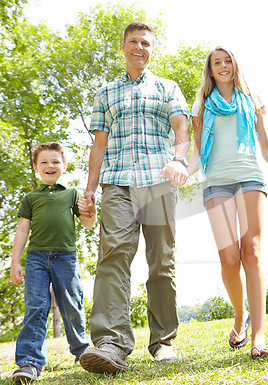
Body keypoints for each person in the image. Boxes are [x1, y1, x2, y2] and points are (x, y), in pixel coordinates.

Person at [78, 22, 190, 374]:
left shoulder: (167, 87)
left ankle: (163, 341)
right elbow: (98, 145)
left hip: (158, 181)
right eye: (133, 42)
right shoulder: (106, 93)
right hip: (116, 183)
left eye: (145, 43)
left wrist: (179, 159)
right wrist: (90, 189)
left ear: (151, 48)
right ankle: (111, 344)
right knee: (112, 257)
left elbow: (181, 128)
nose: (139, 47)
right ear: (123, 46)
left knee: (162, 261)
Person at [174, 46, 268, 358]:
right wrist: (182, 171)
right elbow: (199, 155)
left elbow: (265, 146)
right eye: (217, 63)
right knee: (229, 258)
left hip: (249, 176)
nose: (224, 66)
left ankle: (259, 337)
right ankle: (240, 315)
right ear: (210, 70)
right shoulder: (201, 106)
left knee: (250, 250)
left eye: (228, 61)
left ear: (234, 65)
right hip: (216, 181)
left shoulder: (252, 101)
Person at [10, 142, 95, 383]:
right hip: (36, 258)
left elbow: (87, 223)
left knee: (71, 303)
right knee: (36, 306)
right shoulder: (30, 198)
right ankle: (29, 362)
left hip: (65, 257)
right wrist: (16, 262)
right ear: (36, 167)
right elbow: (22, 230)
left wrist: (91, 211)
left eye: (55, 161)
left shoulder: (72, 193)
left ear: (64, 166)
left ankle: (82, 352)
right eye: (44, 162)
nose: (50, 165)